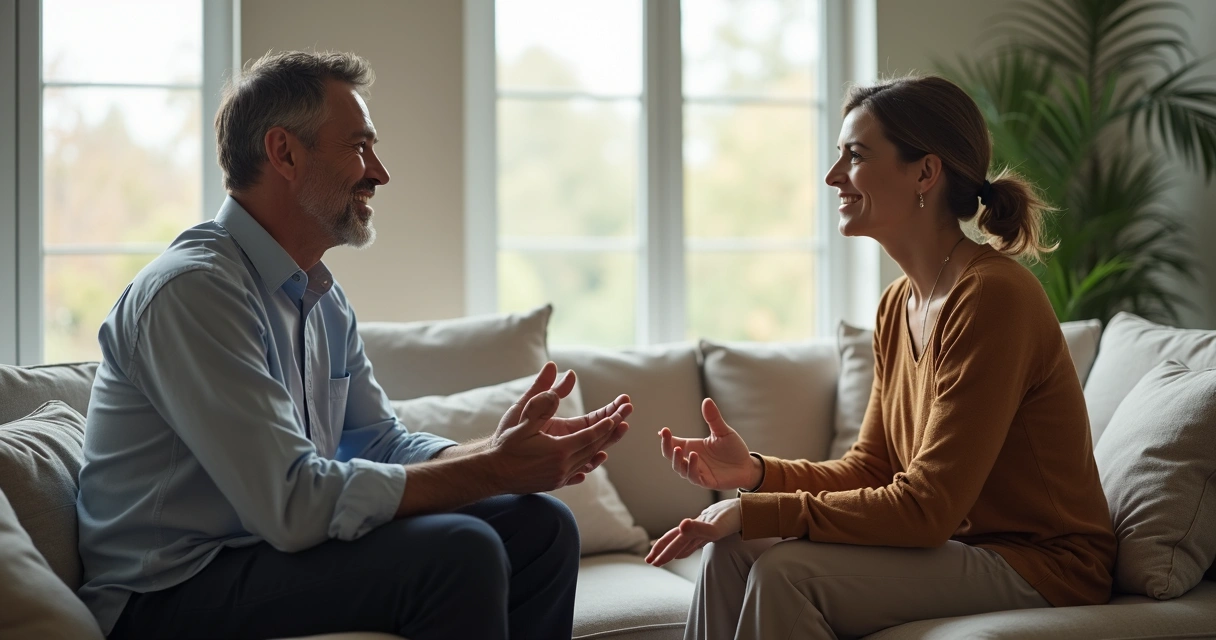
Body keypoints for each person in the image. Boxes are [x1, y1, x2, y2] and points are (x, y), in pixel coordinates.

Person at [76, 50, 632, 640]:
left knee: (542, 527)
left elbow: (380, 441)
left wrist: (494, 451)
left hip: (259, 555)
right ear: (284, 152)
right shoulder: (194, 292)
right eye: (360, 147)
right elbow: (292, 504)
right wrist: (494, 470)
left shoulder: (319, 296)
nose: (380, 172)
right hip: (166, 592)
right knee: (459, 550)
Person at [646, 75, 1116, 640]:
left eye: (856, 156)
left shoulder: (993, 297)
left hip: (1045, 563)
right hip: (960, 548)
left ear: (925, 172)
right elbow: (870, 468)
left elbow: (928, 508)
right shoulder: (898, 304)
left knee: (785, 573)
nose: (833, 176)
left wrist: (754, 509)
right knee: (730, 553)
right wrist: (756, 474)